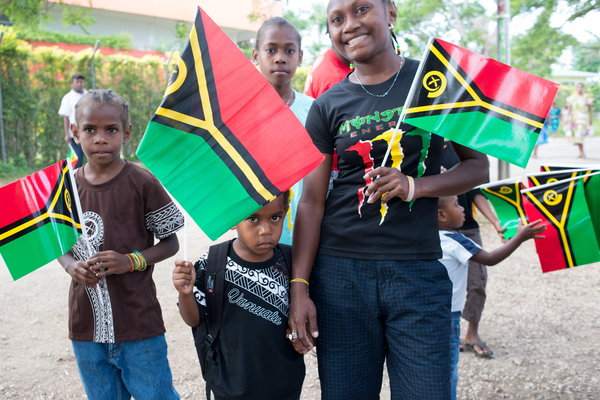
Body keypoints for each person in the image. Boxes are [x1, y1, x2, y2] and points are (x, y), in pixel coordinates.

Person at [288, 0, 489, 399]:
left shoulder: (436, 83)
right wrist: (300, 287)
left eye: (362, 9)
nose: (350, 25)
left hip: (417, 274)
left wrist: (414, 186)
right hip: (340, 278)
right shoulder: (329, 104)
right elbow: (311, 202)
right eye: (337, 19)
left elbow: (478, 168)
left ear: (391, 12)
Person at [58, 89, 184, 400]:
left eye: (110, 129)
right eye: (90, 129)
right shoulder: (65, 187)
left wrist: (131, 260)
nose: (100, 138)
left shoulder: (142, 182)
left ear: (126, 133)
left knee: (155, 395)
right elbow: (58, 243)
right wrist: (71, 265)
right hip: (85, 326)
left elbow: (171, 242)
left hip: (139, 325)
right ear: (75, 132)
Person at [173, 191, 305, 400]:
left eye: (275, 217)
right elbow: (194, 319)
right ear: (233, 219)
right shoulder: (213, 263)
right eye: (252, 219)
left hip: (284, 384)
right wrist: (186, 294)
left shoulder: (292, 262)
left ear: (285, 212)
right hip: (231, 385)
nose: (265, 230)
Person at [437, 195, 545, 400]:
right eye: (457, 205)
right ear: (441, 214)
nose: (463, 209)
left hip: (424, 313)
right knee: (448, 370)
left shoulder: (423, 237)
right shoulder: (456, 241)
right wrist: (519, 237)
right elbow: (490, 258)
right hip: (448, 318)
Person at [251, 16, 314, 245]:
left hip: (306, 235)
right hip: (257, 238)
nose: (280, 58)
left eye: (289, 51)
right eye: (271, 50)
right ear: (256, 55)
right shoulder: (240, 113)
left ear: (300, 56)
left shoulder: (315, 110)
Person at [441, 142, 505, 357]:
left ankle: (472, 333)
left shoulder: (472, 144)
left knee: (477, 281)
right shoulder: (428, 144)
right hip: (438, 228)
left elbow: (477, 192)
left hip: (467, 226)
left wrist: (495, 222)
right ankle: (449, 331)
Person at [58, 73, 86, 168]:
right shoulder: (68, 98)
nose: (79, 84)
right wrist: (67, 134)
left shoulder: (88, 95)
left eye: (81, 81)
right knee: (77, 157)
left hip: (89, 132)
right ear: (73, 83)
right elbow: (66, 117)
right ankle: (72, 177)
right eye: (77, 82)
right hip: (75, 134)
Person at [565, 82, 594, 158]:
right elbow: (569, 109)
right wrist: (567, 118)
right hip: (574, 120)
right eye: (578, 87)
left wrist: (591, 119)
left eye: (581, 87)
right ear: (576, 88)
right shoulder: (573, 98)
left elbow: (590, 109)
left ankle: (582, 152)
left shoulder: (586, 98)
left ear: (583, 88)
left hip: (583, 119)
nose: (579, 89)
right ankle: (581, 152)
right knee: (576, 136)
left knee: (580, 135)